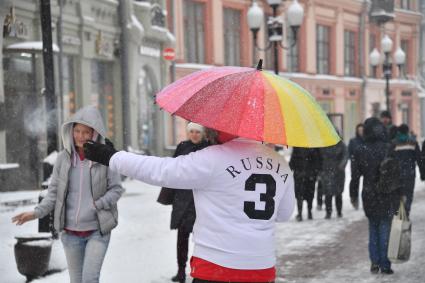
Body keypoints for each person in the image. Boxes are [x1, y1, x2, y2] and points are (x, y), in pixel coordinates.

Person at [84, 131, 295, 283]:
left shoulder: (213, 158)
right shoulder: (280, 163)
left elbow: (161, 170)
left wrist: (112, 157)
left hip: (216, 267)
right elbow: (284, 214)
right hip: (261, 268)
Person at [12, 106, 124, 283]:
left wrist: (99, 204)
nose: (80, 136)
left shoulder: (105, 158)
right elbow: (53, 192)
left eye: (85, 132)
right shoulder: (63, 159)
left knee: (89, 279)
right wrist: (35, 213)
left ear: (94, 134)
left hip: (97, 230)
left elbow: (117, 189)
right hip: (70, 233)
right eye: (77, 131)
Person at [157, 123, 209, 283]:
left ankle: (199, 271)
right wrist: (169, 194)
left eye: (197, 132)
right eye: (191, 131)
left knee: (202, 239)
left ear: (203, 134)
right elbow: (172, 169)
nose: (194, 135)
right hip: (182, 198)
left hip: (201, 200)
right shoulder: (182, 147)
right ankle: (180, 270)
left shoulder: (209, 149)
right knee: (182, 238)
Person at [350, 117, 400, 275]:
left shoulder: (360, 149)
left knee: (373, 227)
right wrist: (399, 195)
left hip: (369, 193)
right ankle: (385, 264)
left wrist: (353, 195)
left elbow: (355, 176)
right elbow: (396, 173)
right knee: (385, 227)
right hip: (386, 193)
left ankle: (375, 262)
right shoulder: (388, 147)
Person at [392, 124, 423, 216]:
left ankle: (399, 213)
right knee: (408, 194)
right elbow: (419, 159)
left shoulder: (394, 143)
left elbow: (390, 158)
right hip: (410, 173)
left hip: (397, 174)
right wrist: (422, 173)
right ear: (407, 131)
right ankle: (406, 212)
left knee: (398, 195)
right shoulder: (412, 142)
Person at [289, 147, 322, 221]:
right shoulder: (314, 147)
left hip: (299, 175)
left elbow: (292, 161)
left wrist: (290, 168)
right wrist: (316, 172)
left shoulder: (297, 147)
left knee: (299, 195)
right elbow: (318, 161)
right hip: (310, 176)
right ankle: (309, 212)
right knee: (309, 195)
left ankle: (300, 213)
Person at [319, 139, 348, 219]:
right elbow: (319, 157)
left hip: (338, 172)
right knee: (328, 193)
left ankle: (339, 211)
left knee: (338, 193)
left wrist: (341, 165)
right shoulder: (323, 144)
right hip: (326, 171)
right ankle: (328, 212)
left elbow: (345, 156)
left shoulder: (341, 145)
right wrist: (320, 170)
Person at [348, 124, 364, 210]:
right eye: (359, 130)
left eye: (362, 130)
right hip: (355, 164)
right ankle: (354, 198)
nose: (361, 132)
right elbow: (349, 152)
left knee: (367, 182)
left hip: (365, 164)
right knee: (355, 181)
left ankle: (366, 199)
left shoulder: (366, 140)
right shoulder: (353, 141)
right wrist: (353, 158)